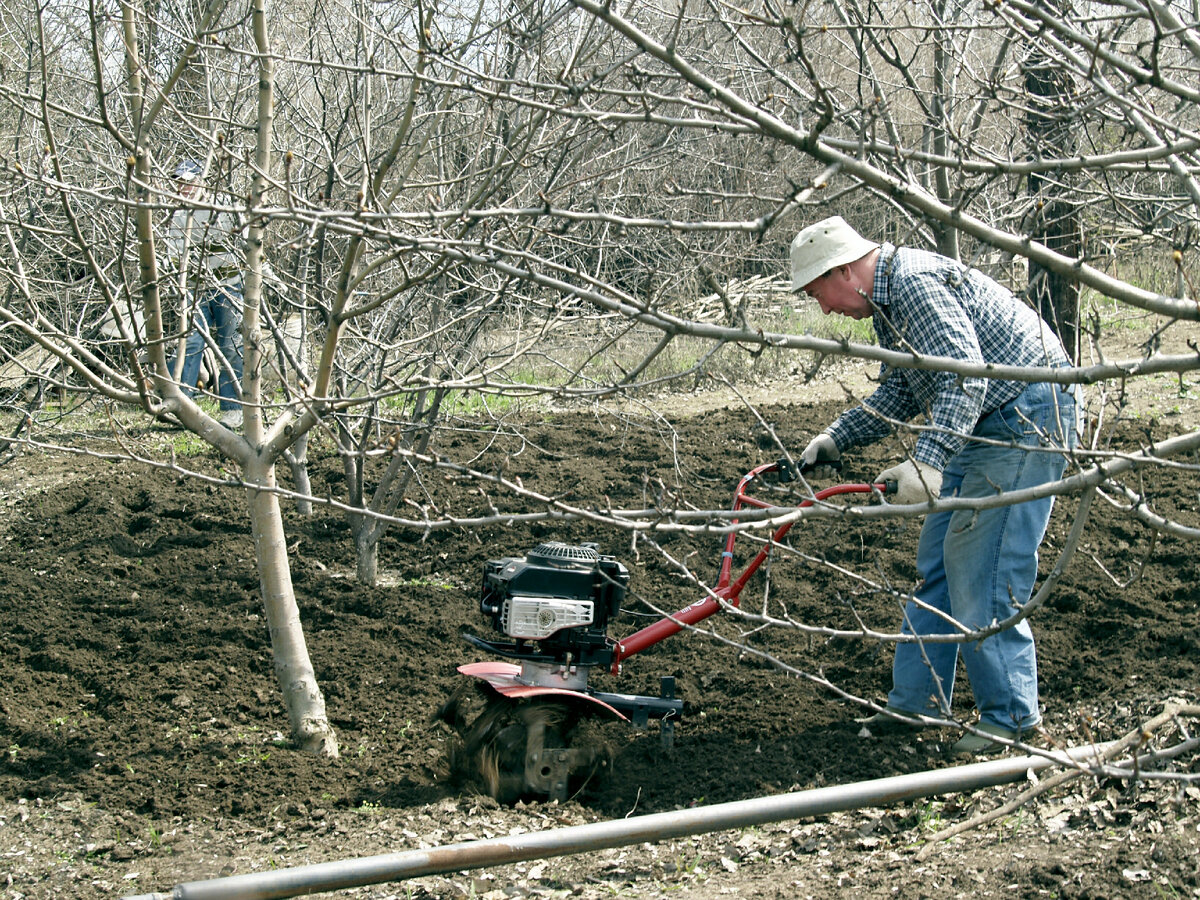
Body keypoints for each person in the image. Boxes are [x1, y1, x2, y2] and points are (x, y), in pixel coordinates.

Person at [790, 215, 1077, 754]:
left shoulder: (915, 285)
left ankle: (1014, 720)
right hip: (987, 421)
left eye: (818, 292)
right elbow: (903, 390)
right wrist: (836, 438)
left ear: (846, 270)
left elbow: (966, 374)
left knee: (984, 569)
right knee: (938, 569)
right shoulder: (887, 305)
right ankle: (914, 707)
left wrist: (927, 462)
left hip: (1030, 414)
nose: (823, 307)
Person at [166, 158, 244, 429]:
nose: (184, 188)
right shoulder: (178, 216)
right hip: (196, 289)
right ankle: (181, 406)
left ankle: (233, 409)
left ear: (201, 182)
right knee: (190, 343)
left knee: (231, 345)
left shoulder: (223, 207)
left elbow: (244, 245)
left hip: (229, 285)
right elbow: (174, 257)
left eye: (189, 182)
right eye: (180, 183)